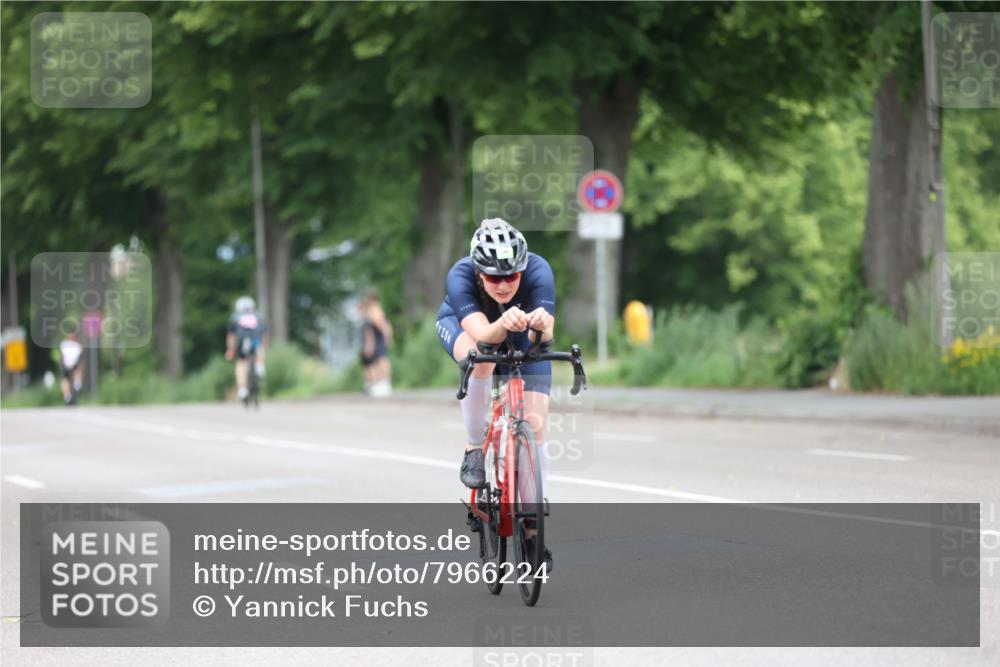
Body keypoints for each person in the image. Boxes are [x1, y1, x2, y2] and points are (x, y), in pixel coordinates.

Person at [436, 218, 555, 568]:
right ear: (478, 271)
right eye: (493, 277)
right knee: (481, 360)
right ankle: (474, 446)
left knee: (535, 424)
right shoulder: (460, 275)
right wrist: (503, 323)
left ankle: (533, 532)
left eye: (511, 277)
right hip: (467, 328)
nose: (503, 285)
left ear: (522, 269)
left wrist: (542, 329)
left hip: (517, 332)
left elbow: (544, 340)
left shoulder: (539, 271)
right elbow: (485, 335)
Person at [225, 296, 267, 403]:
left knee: (241, 362)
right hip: (255, 339)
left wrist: (230, 350)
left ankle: (242, 389)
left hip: (241, 341)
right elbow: (263, 333)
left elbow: (231, 336)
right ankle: (260, 365)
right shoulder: (258, 315)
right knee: (259, 347)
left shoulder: (235, 316)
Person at [358, 291, 394, 397]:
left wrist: (387, 337)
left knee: (382, 360)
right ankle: (380, 383)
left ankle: (385, 383)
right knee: (377, 361)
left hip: (378, 338)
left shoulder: (376, 310)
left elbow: (382, 325)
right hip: (376, 338)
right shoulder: (371, 310)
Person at [57, 334, 84, 405]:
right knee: (76, 370)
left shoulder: (64, 344)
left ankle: (67, 394)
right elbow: (80, 360)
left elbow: (61, 356)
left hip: (66, 364)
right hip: (72, 363)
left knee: (64, 379)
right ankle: (77, 383)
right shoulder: (77, 346)